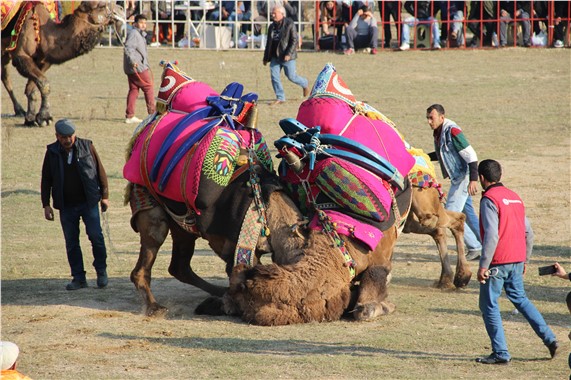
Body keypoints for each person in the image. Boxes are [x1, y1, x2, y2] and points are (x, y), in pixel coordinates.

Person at [475, 159, 558, 364]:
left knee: (489, 305)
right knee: (521, 300)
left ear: (482, 178)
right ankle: (550, 339)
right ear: (499, 176)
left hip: (497, 263)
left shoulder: (489, 199)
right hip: (517, 260)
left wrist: (483, 265)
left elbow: (492, 235)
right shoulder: (515, 198)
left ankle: (501, 353)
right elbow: (529, 233)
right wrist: (525, 260)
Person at [41, 119, 109, 291]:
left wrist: (105, 196)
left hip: (89, 202)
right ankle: (78, 278)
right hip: (66, 206)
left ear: (74, 135)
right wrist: (46, 204)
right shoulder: (52, 152)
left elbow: (100, 171)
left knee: (96, 237)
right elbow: (46, 179)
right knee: (72, 243)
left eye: (70, 136)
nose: (67, 140)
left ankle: (101, 272)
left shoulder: (87, 146)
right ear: (57, 136)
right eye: (63, 137)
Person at [425, 104, 482, 260]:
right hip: (459, 177)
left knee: (449, 214)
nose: (429, 122)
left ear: (442, 117)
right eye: (428, 118)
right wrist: (422, 156)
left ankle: (475, 247)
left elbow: (471, 155)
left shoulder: (452, 131)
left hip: (463, 177)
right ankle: (484, 243)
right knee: (468, 215)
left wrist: (473, 180)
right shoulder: (439, 132)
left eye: (432, 118)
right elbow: (441, 154)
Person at [262, 5, 309, 106]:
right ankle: (280, 97)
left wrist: (288, 53)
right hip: (275, 56)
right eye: (272, 13)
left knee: (291, 77)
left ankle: (305, 83)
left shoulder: (289, 24)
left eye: (275, 13)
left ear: (282, 14)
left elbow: (294, 40)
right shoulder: (271, 26)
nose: (272, 14)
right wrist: (266, 58)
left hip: (287, 57)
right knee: (274, 77)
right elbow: (268, 43)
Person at [123, 14, 155, 125]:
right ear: (135, 23)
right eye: (141, 23)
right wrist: (133, 61)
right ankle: (153, 114)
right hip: (137, 67)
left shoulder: (139, 34)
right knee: (148, 88)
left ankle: (130, 115)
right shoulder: (134, 34)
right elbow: (128, 48)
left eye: (145, 23)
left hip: (133, 67)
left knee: (134, 90)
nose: (143, 25)